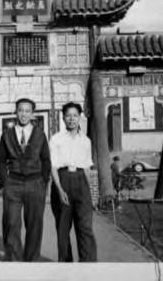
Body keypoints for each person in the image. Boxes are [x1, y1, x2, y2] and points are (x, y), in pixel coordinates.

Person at [0, 98, 51, 261]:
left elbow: (46, 160)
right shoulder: (7, 134)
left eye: (27, 111)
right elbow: (0, 160)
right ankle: (14, 262)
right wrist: (5, 182)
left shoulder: (40, 134)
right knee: (11, 223)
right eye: (21, 110)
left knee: (34, 225)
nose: (24, 114)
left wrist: (44, 182)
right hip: (13, 184)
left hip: (35, 183)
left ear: (32, 114)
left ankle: (31, 262)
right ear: (16, 112)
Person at [50, 102, 97, 262]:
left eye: (75, 115)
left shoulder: (86, 141)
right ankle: (66, 269)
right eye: (68, 115)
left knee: (85, 228)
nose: (72, 119)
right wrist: (59, 190)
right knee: (63, 230)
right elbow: (53, 167)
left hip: (81, 183)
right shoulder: (56, 139)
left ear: (79, 117)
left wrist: (90, 193)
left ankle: (89, 266)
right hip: (62, 180)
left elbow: (87, 168)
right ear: (63, 118)